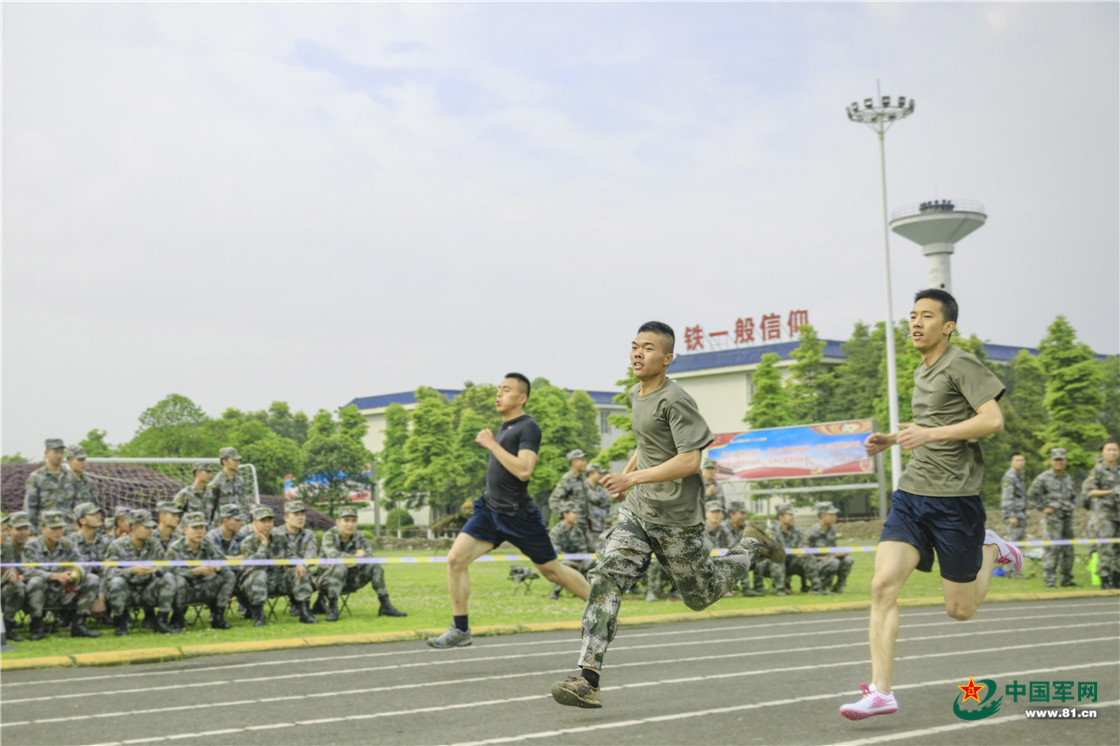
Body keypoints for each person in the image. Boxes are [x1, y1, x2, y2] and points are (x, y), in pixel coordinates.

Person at [551, 322, 783, 708]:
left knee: (700, 595)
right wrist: (627, 480)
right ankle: (587, 678)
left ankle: (752, 547)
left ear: (668, 358)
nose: (638, 353)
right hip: (638, 511)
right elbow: (647, 445)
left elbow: (690, 460)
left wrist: (633, 477)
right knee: (606, 578)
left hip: (677, 520)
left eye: (649, 348)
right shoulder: (635, 394)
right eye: (634, 346)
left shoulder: (676, 400)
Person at [841, 288, 1021, 721]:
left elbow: (992, 420)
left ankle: (992, 549)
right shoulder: (922, 370)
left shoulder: (961, 363)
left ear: (949, 325)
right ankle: (882, 692)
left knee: (960, 610)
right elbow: (931, 426)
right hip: (912, 495)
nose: (916, 323)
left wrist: (929, 434)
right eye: (913, 316)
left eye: (926, 316)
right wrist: (892, 440)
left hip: (955, 502)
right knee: (882, 584)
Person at [427, 373, 591, 649]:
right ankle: (460, 629)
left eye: (506, 390)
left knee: (552, 571)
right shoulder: (504, 428)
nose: (499, 394)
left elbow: (524, 471)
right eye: (498, 389)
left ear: (522, 398)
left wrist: (491, 444)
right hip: (489, 510)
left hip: (518, 515)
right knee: (455, 560)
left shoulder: (528, 427)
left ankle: (603, 609)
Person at [314, 506, 406, 621]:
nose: (350, 524)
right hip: (326, 580)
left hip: (350, 579)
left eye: (353, 521)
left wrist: (356, 559)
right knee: (340, 566)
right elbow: (334, 556)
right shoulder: (329, 535)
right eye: (346, 520)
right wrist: (357, 558)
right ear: (338, 522)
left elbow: (369, 555)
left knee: (375, 566)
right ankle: (333, 609)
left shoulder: (359, 535)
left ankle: (385, 606)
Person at [22, 511, 101, 639]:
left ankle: (79, 624)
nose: (58, 531)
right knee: (36, 581)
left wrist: (74, 575)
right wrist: (54, 575)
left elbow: (82, 565)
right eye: (53, 528)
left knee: (92, 578)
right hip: (42, 592)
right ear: (43, 529)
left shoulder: (67, 544)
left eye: (60, 528)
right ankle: (37, 626)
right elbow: (27, 571)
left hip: (65, 591)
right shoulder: (31, 546)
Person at [104, 509, 176, 635]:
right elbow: (108, 572)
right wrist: (131, 570)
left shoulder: (155, 544)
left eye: (151, 527)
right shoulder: (116, 545)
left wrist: (156, 570)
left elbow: (167, 565)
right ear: (134, 529)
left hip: (148, 590)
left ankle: (162, 621)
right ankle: (120, 624)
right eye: (146, 527)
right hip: (127, 592)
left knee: (168, 577)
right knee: (116, 582)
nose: (150, 531)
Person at [165, 512, 234, 630]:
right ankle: (178, 618)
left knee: (228, 575)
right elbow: (170, 570)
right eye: (195, 528)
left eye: (201, 527)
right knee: (178, 581)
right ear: (185, 529)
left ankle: (218, 616)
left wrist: (217, 567)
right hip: (187, 587)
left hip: (205, 585)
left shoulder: (207, 544)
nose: (199, 532)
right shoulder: (176, 547)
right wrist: (194, 571)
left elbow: (223, 562)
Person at [1027, 448, 1078, 589]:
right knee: (1052, 549)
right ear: (1051, 461)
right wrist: (1043, 508)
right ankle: (1049, 581)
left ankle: (1066, 579)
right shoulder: (1043, 478)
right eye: (1056, 460)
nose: (1059, 462)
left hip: (1067, 517)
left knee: (1068, 549)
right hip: (1053, 519)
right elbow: (1031, 495)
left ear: (1065, 461)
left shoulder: (1068, 478)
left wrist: (1071, 506)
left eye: (1061, 460)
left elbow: (1073, 496)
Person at [754, 502, 819, 596]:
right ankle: (781, 589)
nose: (792, 517)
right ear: (780, 517)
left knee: (808, 556)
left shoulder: (795, 530)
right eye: (789, 515)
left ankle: (817, 588)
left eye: (792, 515)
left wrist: (803, 551)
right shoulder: (771, 531)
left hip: (790, 562)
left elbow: (803, 544)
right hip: (770, 565)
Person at [1081, 440, 1119, 589]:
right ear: (1102, 453)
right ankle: (1104, 578)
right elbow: (1090, 491)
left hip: (1119, 514)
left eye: (1115, 450)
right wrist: (1111, 491)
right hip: (1105, 515)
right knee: (1105, 547)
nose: (1112, 453)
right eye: (1109, 450)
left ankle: (1117, 577)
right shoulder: (1097, 471)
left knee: (1118, 549)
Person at [277, 501, 319, 624]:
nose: (301, 517)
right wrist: (297, 564)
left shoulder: (309, 535)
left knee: (325, 572)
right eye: (296, 514)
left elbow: (311, 555)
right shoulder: (277, 533)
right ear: (286, 518)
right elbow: (284, 553)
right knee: (298, 573)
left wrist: (302, 565)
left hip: (304, 572)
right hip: (281, 576)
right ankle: (304, 612)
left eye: (302, 514)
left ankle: (321, 603)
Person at [70, 502, 111, 620]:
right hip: (79, 585)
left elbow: (106, 571)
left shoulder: (105, 542)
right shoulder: (70, 542)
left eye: (98, 514)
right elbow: (76, 573)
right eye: (93, 515)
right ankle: (74, 618)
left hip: (103, 585)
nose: (98, 517)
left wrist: (101, 597)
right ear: (82, 520)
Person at [548, 502, 594, 600]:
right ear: (565, 514)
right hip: (561, 561)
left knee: (592, 563)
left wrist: (578, 560)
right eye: (574, 513)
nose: (577, 516)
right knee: (565, 564)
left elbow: (583, 550)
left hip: (578, 560)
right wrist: (572, 561)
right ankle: (556, 592)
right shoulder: (556, 531)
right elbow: (556, 551)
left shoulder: (578, 530)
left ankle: (589, 590)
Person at [24, 438, 71, 528]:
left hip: (67, 529)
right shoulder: (36, 477)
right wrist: (31, 531)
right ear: (46, 454)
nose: (59, 455)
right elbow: (30, 507)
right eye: (56, 452)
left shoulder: (69, 476)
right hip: (46, 529)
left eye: (61, 452)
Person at [807, 502, 853, 594]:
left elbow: (833, 549)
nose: (834, 517)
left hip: (829, 560)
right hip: (814, 564)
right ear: (823, 516)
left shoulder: (832, 530)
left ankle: (838, 587)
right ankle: (823, 588)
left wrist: (837, 554)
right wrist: (822, 558)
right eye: (831, 515)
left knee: (848, 560)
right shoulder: (812, 532)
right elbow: (805, 553)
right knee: (833, 562)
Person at [2, 513, 33, 641]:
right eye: (1, 531)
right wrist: (6, 577)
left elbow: (10, 568)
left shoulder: (7, 548)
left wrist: (13, 575)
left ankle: (7, 627)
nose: (5, 534)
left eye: (5, 530)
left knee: (18, 586)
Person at [550, 449, 593, 534]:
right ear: (573, 462)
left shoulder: (583, 478)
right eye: (581, 460)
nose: (585, 462)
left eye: (585, 460)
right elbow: (554, 500)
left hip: (584, 524)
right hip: (574, 526)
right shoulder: (568, 479)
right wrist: (565, 518)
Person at [1000, 453, 1029, 578]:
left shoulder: (1019, 476)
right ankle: (1013, 571)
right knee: (1014, 544)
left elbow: (1021, 499)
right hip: (1014, 515)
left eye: (1022, 460)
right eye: (1017, 460)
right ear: (1011, 463)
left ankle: (1015, 570)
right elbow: (1007, 498)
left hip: (1020, 515)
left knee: (1020, 543)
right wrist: (1011, 515)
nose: (1020, 462)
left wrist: (1024, 515)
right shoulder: (1010, 477)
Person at [210, 447, 251, 517]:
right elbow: (210, 507)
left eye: (238, 460)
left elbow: (242, 502)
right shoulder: (216, 483)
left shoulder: (240, 481)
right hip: (223, 522)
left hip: (239, 521)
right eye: (234, 460)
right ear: (224, 461)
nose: (237, 462)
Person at [64, 446, 99, 514]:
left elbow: (95, 506)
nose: (83, 463)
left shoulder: (89, 483)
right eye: (79, 460)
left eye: (84, 459)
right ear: (69, 462)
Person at [586, 464, 613, 537]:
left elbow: (608, 506)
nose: (601, 475)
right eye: (599, 473)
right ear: (590, 474)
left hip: (601, 529)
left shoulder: (602, 490)